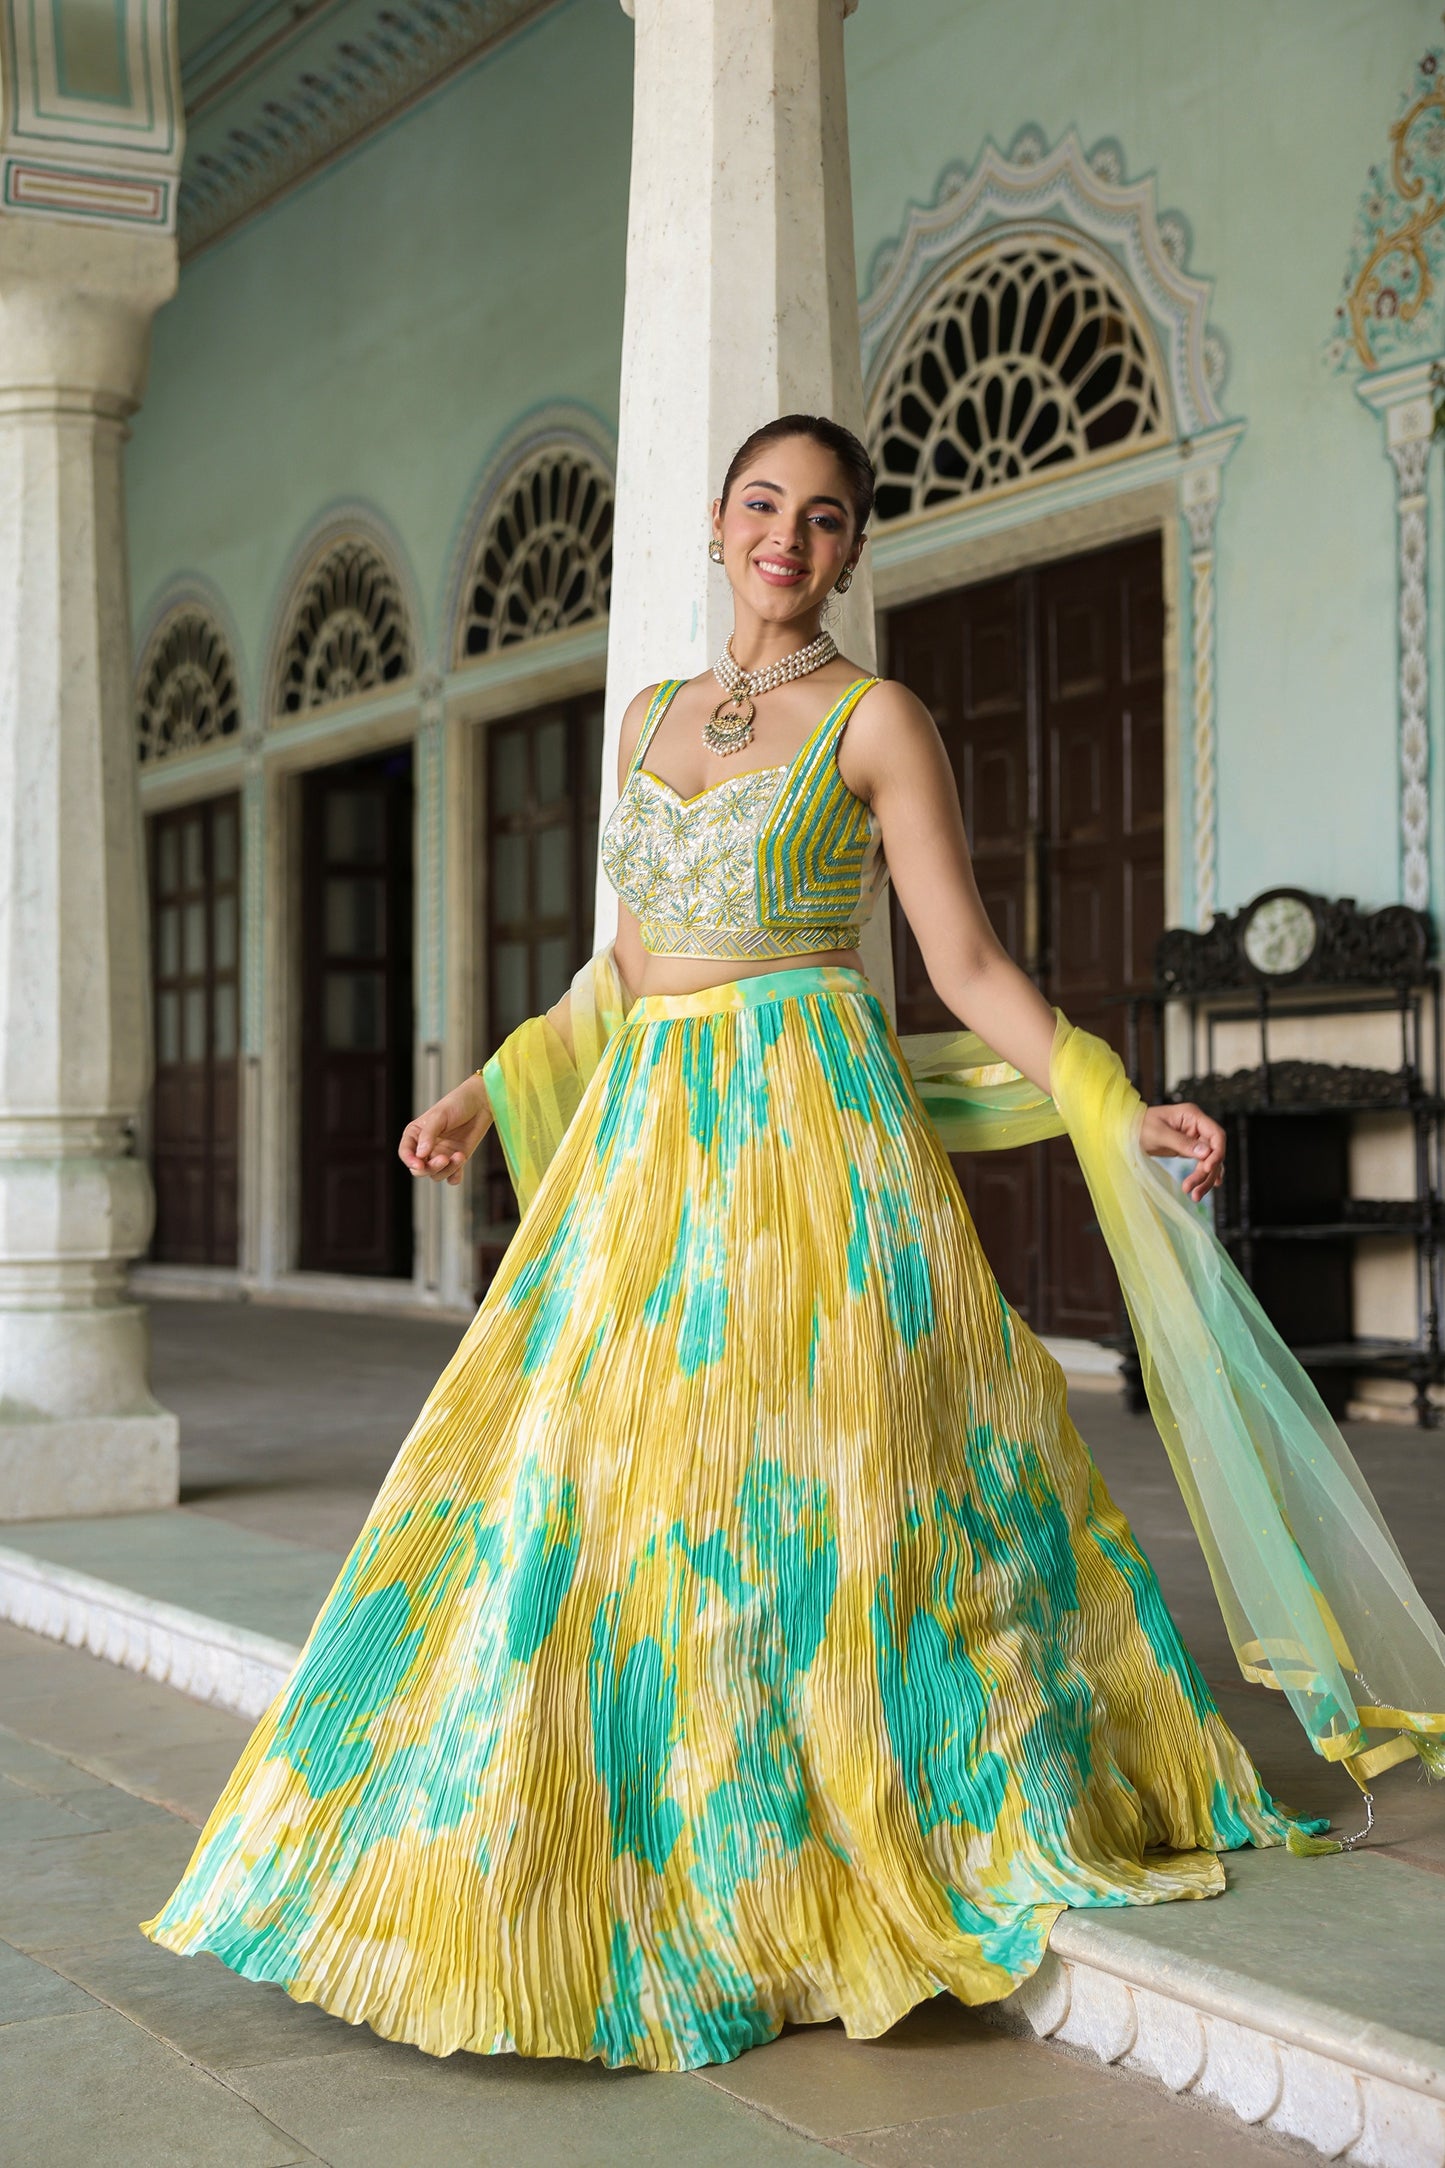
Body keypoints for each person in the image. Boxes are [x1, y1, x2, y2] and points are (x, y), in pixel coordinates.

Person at [143, 415, 1445, 2074]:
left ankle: (827, 1824)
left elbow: (964, 966)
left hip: (810, 1146)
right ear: (715, 522)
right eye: (763, 505)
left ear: (849, 552)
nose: (787, 537)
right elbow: (618, 967)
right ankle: (600, 1825)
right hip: (645, 1149)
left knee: (826, 1482)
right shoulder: (648, 724)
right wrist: (481, 1086)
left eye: (823, 520)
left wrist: (1109, 1102)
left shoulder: (873, 722)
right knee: (581, 1481)